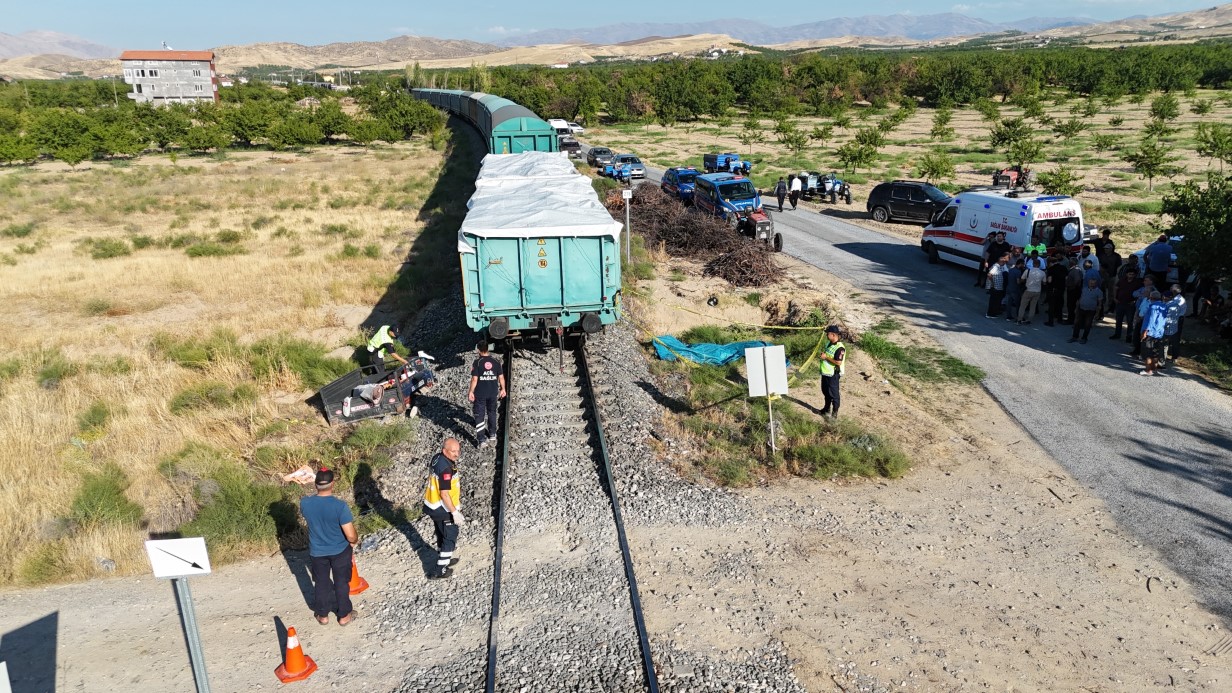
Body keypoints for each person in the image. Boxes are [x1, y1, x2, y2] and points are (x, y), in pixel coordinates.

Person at [300, 468, 359, 626]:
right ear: (332, 484)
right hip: (339, 550)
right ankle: (344, 615)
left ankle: (323, 615)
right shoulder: (340, 506)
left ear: (316, 484)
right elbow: (351, 535)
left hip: (317, 551)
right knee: (341, 582)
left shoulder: (305, 503)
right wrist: (354, 541)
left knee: (321, 582)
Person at [422, 438, 464, 580]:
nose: (456, 454)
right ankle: (439, 570)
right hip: (443, 508)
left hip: (433, 505)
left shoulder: (437, 458)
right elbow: (444, 494)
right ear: (444, 451)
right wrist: (454, 512)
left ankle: (443, 558)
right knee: (449, 537)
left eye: (458, 450)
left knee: (441, 533)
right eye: (453, 451)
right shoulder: (446, 468)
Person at [467, 341, 506, 449]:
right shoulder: (496, 362)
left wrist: (471, 391)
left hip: (480, 394)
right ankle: (493, 435)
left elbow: (475, 379)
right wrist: (503, 389)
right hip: (493, 393)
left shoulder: (477, 363)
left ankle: (482, 440)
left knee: (479, 415)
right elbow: (501, 377)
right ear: (487, 349)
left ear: (479, 350)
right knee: (492, 413)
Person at [819, 325, 845, 418]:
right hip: (825, 373)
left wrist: (826, 357)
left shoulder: (840, 348)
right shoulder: (829, 343)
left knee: (834, 395)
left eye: (828, 333)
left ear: (833, 335)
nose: (826, 335)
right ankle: (826, 409)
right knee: (826, 392)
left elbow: (838, 362)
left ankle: (834, 414)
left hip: (833, 375)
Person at [1068, 277, 1104, 344]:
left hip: (1091, 310)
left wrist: (1098, 313)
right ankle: (1074, 337)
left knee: (1087, 325)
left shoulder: (1099, 292)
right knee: (1076, 323)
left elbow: (1100, 303)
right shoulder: (1084, 289)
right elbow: (1079, 299)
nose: (1091, 284)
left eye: (1093, 282)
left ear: (1096, 283)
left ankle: (1084, 338)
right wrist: (1076, 308)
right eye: (1090, 282)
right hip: (1081, 308)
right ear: (1088, 282)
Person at [1110, 268, 1142, 340]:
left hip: (1130, 304)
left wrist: (1135, 301)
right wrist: (1115, 298)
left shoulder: (1137, 283)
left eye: (1133, 274)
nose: (1131, 276)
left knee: (1129, 321)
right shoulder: (1122, 280)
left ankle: (1129, 336)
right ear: (1126, 274)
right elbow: (1115, 288)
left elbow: (1141, 293)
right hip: (1120, 303)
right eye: (1129, 274)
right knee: (1118, 320)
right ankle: (1117, 334)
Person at [1140, 292, 1168, 375]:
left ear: (1151, 297)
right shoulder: (1164, 306)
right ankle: (1154, 369)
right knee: (1156, 352)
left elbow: (1150, 321)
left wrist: (1145, 331)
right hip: (1159, 333)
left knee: (1148, 352)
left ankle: (1148, 370)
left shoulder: (1152, 307)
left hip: (1151, 333)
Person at [1162, 285, 1187, 363]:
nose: (1170, 290)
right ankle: (1163, 356)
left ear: (1176, 291)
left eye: (1172, 289)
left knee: (1175, 339)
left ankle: (1174, 357)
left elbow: (1175, 311)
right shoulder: (1172, 298)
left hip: (1177, 319)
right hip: (1171, 318)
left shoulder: (1180, 300)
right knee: (1166, 337)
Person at [1017, 260, 1046, 325]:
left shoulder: (1028, 271)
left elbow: (1022, 279)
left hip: (1028, 290)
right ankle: (1029, 320)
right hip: (1037, 291)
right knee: (1033, 306)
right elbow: (1044, 283)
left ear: (1033, 264)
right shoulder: (1042, 273)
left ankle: (1019, 319)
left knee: (1023, 306)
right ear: (1039, 264)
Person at [1044, 253, 1068, 326]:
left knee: (1051, 306)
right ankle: (1059, 319)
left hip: (1053, 289)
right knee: (1060, 304)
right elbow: (1066, 278)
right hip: (1061, 289)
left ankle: (1050, 322)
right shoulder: (1064, 268)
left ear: (1051, 263)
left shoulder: (1051, 269)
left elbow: (1049, 280)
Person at [986, 254, 1009, 319]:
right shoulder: (995, 267)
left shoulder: (1000, 267)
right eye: (1004, 262)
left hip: (999, 287)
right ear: (1000, 261)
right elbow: (989, 274)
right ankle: (990, 313)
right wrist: (992, 284)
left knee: (997, 301)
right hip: (995, 287)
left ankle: (994, 312)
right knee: (993, 301)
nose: (1005, 263)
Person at [1064, 258, 1083, 324]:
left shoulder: (1075, 270)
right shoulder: (1075, 269)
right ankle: (1072, 318)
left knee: (1071, 305)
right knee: (1071, 305)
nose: (1069, 263)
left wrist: (1073, 286)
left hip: (1073, 290)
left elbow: (1077, 280)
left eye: (1070, 262)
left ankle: (1071, 320)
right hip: (1074, 289)